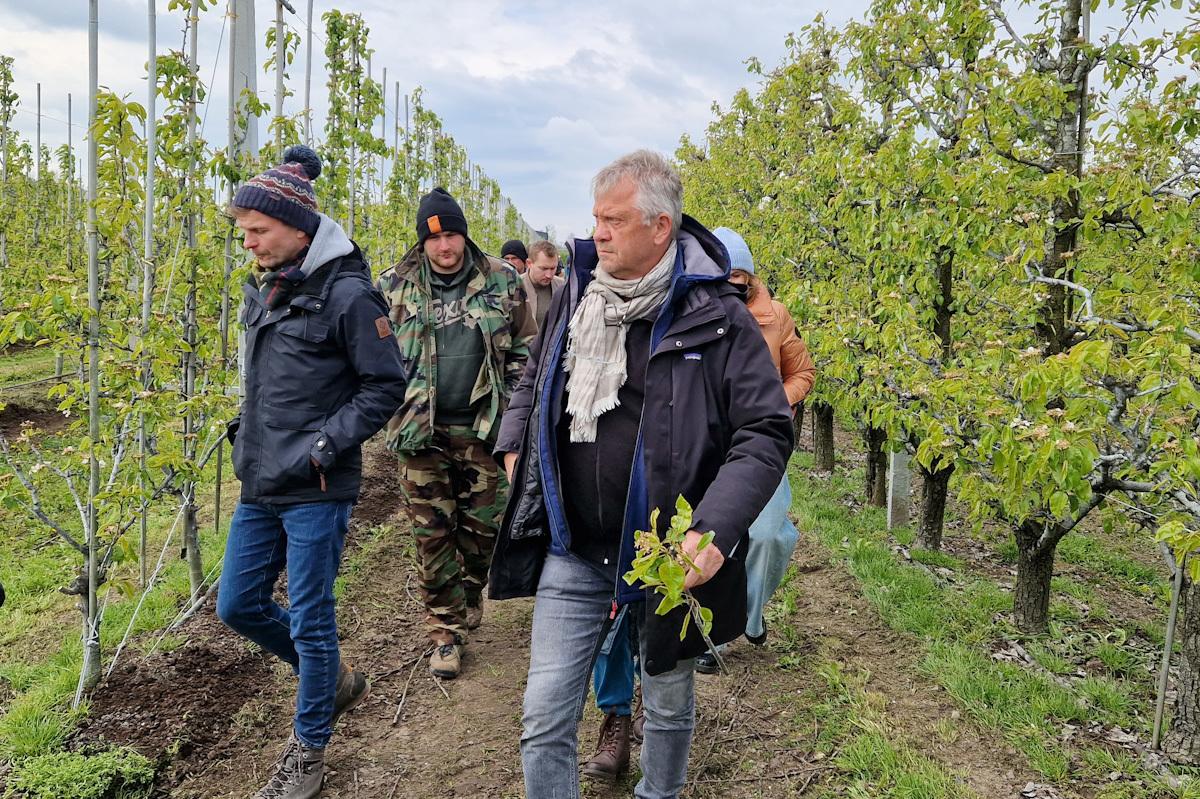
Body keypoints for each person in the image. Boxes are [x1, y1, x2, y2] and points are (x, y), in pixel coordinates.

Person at [490, 150, 794, 799]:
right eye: (596, 218)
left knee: (668, 698)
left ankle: (660, 792)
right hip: (575, 545)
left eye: (614, 220)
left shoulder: (716, 315)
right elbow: (535, 377)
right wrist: (514, 444)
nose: (598, 233)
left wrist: (713, 530)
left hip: (666, 553)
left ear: (660, 227)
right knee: (543, 717)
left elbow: (765, 430)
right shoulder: (577, 293)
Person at [217, 145, 408, 799]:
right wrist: (248, 428)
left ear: (298, 228)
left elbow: (385, 385)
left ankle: (308, 752)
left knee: (310, 619)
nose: (248, 243)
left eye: (258, 230)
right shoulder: (267, 287)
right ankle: (332, 680)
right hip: (261, 478)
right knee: (237, 604)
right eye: (244, 231)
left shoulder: (348, 295)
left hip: (317, 486)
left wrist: (325, 445)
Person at [377, 188, 535, 680]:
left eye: (451, 234)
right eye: (434, 238)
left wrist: (513, 408)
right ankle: (445, 632)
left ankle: (469, 591)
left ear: (464, 235)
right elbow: (374, 358)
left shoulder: (502, 280)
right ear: (422, 241)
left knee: (482, 529)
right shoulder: (392, 286)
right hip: (420, 432)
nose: (444, 246)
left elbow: (525, 348)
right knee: (431, 534)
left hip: (484, 428)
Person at [694, 227, 816, 674]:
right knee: (713, 537)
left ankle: (750, 613)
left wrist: (774, 402)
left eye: (739, 276)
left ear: (748, 277)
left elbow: (803, 373)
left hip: (761, 443)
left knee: (768, 536)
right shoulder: (691, 312)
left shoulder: (775, 316)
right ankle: (715, 635)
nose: (732, 284)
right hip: (709, 445)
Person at [522, 239, 565, 333]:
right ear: (529, 264)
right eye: (544, 268)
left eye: (553, 268)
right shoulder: (515, 287)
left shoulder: (563, 287)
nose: (549, 275)